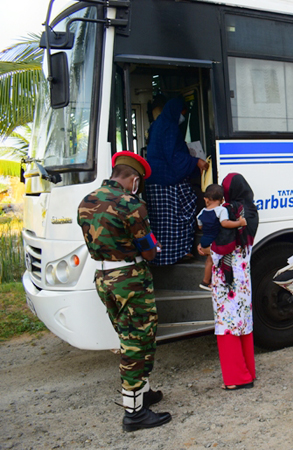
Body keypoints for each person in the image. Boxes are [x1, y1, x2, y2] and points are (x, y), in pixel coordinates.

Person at [77, 152, 171, 432]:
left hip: (104, 277)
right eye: (138, 182)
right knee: (137, 342)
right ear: (133, 179)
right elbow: (149, 251)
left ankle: (143, 393)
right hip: (130, 278)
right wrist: (153, 249)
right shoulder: (132, 204)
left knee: (128, 334)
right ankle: (134, 414)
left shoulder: (86, 201)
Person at [206, 173, 259, 390]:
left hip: (228, 278)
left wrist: (207, 251)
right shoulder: (251, 210)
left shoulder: (229, 210)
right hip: (243, 275)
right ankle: (248, 371)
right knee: (243, 322)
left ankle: (237, 377)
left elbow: (224, 244)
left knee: (227, 325)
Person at [144, 97, 209, 265]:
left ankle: (160, 255)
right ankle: (180, 252)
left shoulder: (157, 126)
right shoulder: (170, 128)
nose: (182, 117)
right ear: (176, 111)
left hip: (154, 182)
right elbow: (174, 157)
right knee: (185, 209)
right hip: (168, 183)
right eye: (182, 113)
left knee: (159, 224)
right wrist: (196, 162)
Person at [197, 184, 247, 290]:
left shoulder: (202, 211)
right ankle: (208, 282)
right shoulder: (221, 210)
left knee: (209, 261)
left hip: (204, 240)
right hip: (214, 242)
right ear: (222, 200)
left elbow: (200, 225)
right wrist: (239, 223)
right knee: (215, 262)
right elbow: (225, 223)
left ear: (206, 199)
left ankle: (206, 281)